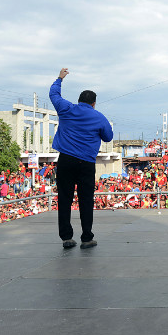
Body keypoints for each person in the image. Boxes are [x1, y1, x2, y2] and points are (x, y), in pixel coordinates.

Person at [50, 68, 113, 249]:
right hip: (86, 163)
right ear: (93, 104)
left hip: (66, 160)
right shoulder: (99, 117)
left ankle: (66, 238)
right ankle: (86, 238)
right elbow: (108, 137)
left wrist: (60, 78)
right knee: (86, 199)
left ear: (78, 101)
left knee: (64, 198)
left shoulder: (66, 108)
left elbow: (53, 94)